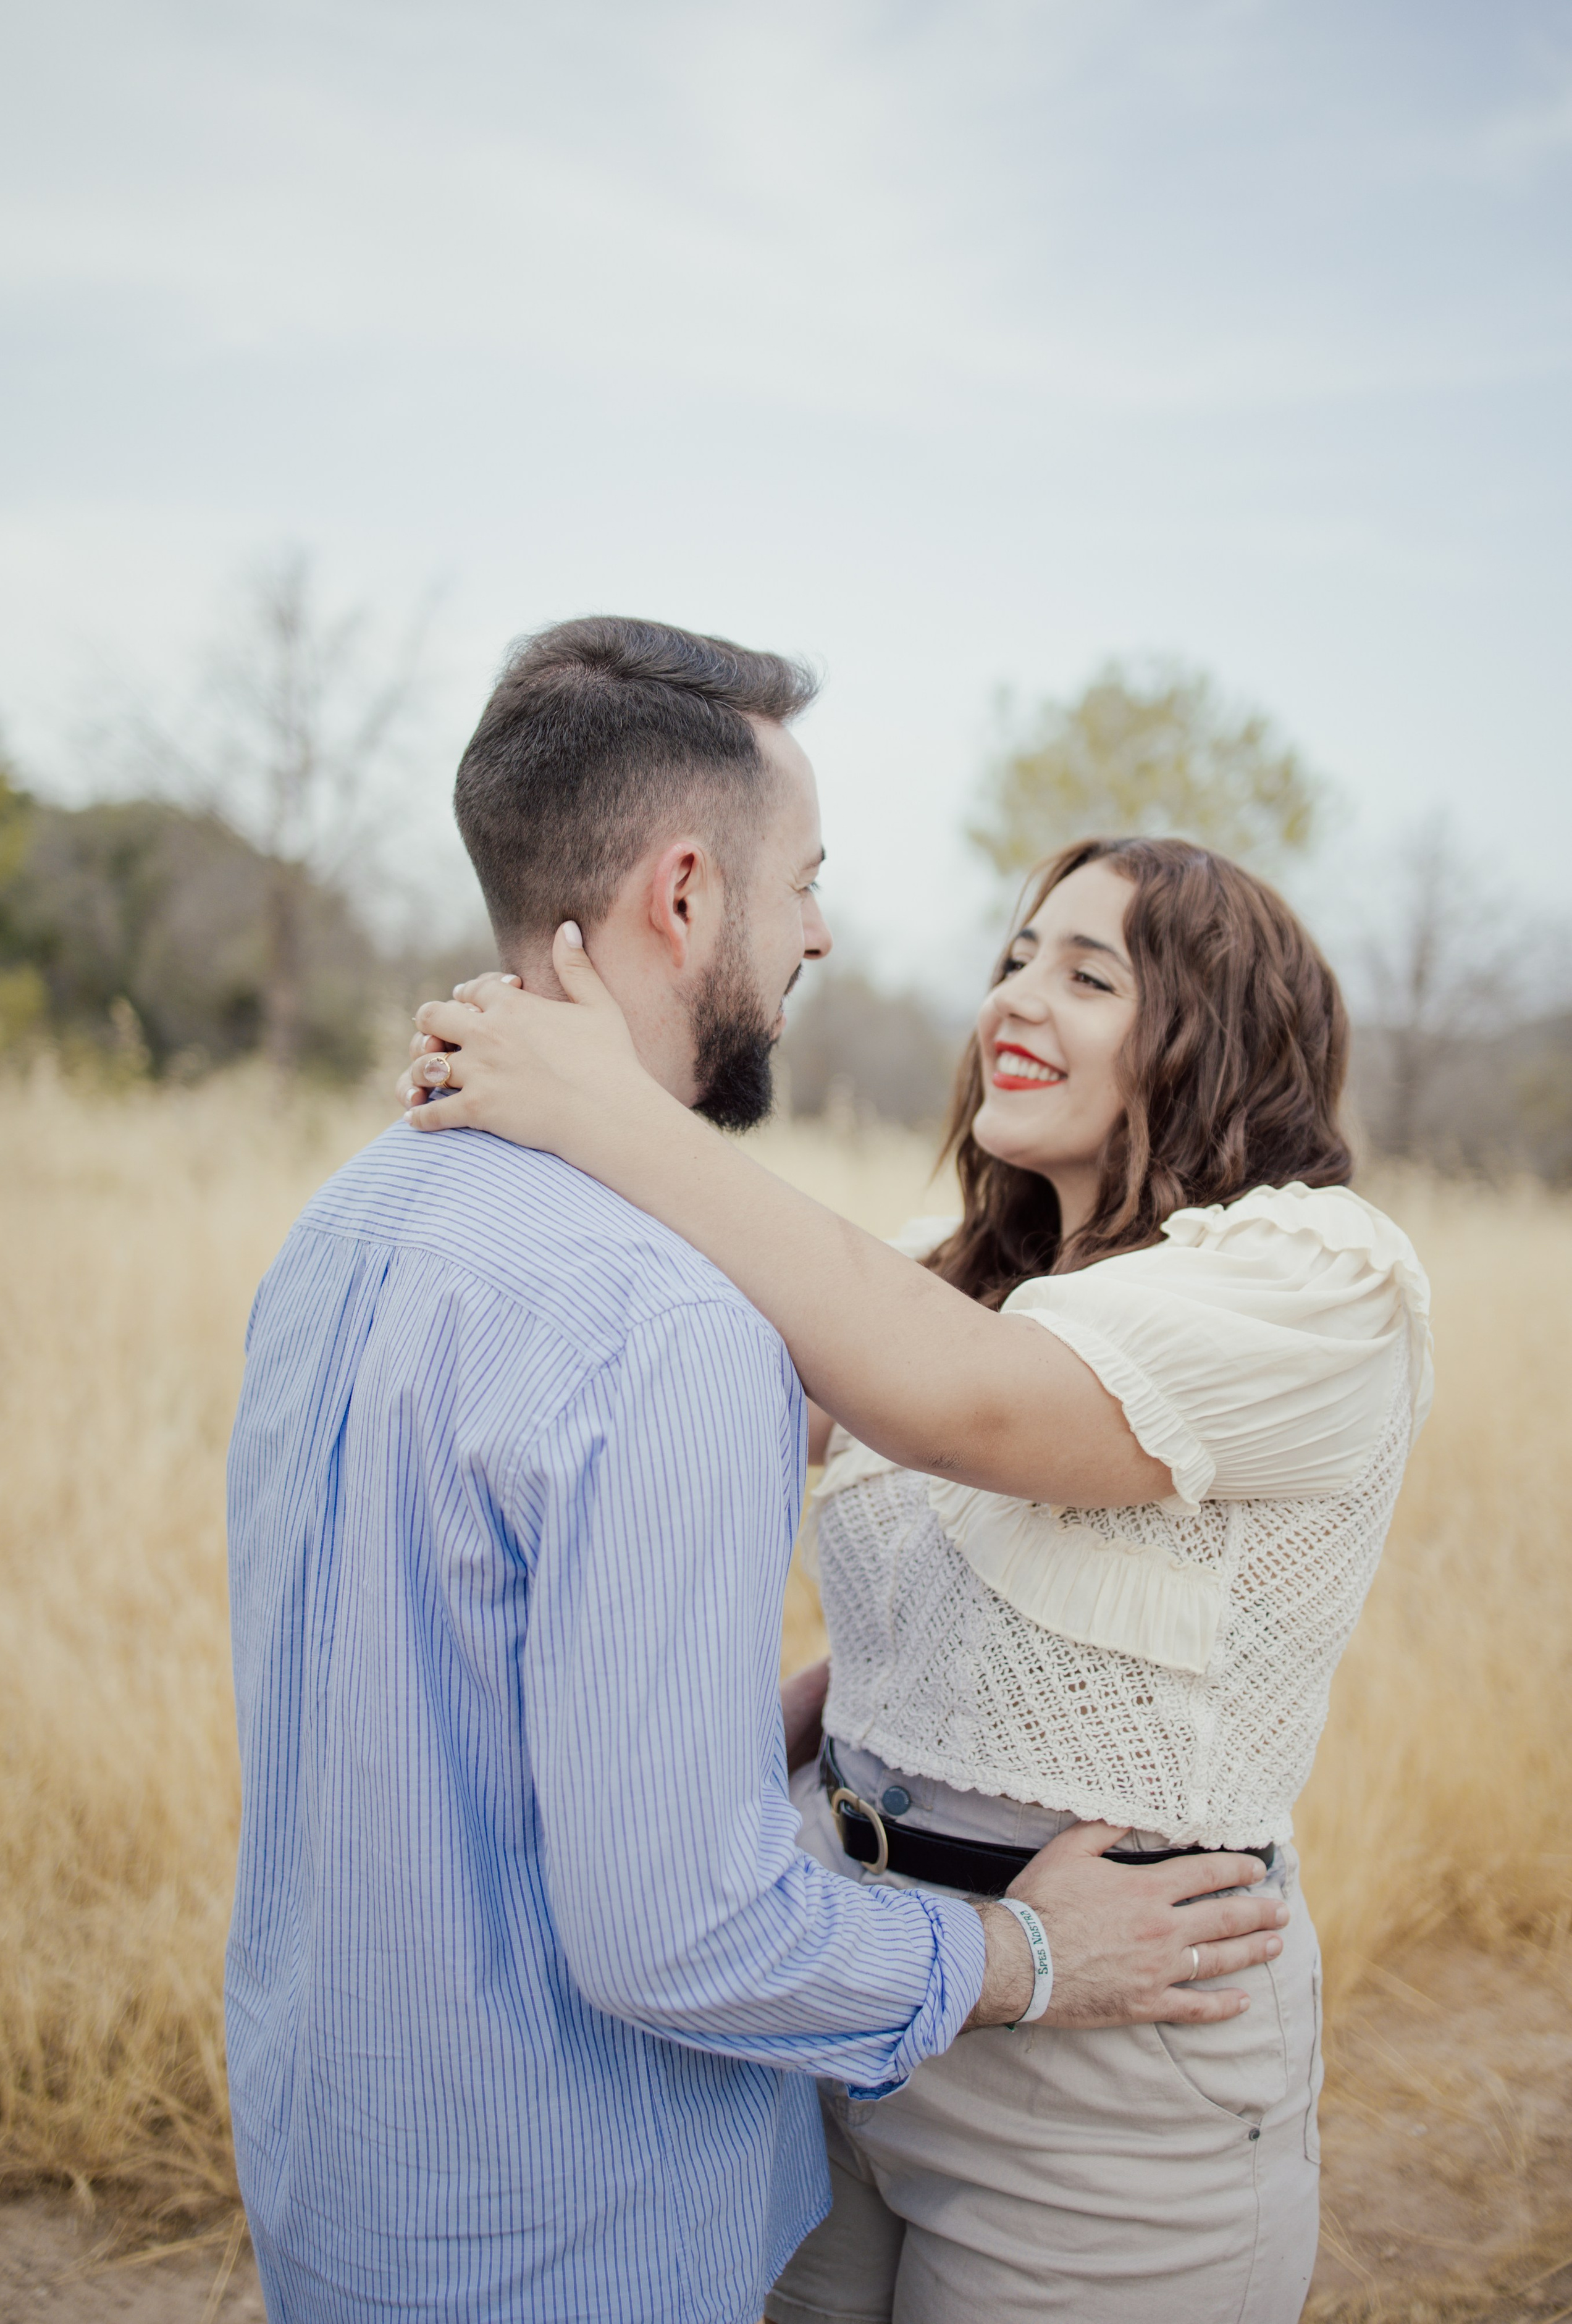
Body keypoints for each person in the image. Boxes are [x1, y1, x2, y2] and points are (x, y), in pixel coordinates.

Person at [225, 618, 1287, 2324]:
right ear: (686, 893)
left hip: (338, 2166)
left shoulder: (349, 1217)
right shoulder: (670, 1325)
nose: (819, 933)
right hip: (569, 2230)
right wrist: (1028, 1953)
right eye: (803, 883)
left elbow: (435, 1686)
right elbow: (680, 1933)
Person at [401, 830, 1432, 2324]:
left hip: (1113, 2053)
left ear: (1220, 1036)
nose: (1013, 998)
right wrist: (514, 1085)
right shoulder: (948, 1271)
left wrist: (605, 1108)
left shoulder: (1315, 1276)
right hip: (853, 1981)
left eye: (1087, 975)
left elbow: (966, 1408)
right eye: (1012, 959)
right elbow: (686, 1382)